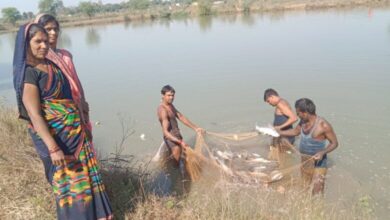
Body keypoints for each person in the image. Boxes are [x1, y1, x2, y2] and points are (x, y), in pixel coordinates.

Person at [13, 23, 112, 219]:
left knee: (88, 182)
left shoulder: (53, 66)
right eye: (37, 41)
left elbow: (70, 99)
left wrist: (83, 126)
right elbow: (35, 115)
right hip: (59, 141)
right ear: (26, 44)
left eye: (45, 41)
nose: (44, 45)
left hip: (76, 136)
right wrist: (52, 147)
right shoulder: (29, 74)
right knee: (72, 188)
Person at [35, 14, 92, 139]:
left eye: (55, 29)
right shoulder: (39, 59)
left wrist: (82, 101)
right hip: (59, 113)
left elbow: (76, 81)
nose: (53, 32)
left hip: (77, 105)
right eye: (48, 29)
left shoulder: (65, 55)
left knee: (86, 143)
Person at [277, 98, 338, 195]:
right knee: (305, 186)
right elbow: (295, 132)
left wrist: (322, 152)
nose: (297, 116)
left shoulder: (323, 125)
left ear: (305, 113)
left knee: (317, 192)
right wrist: (279, 132)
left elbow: (334, 143)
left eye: (298, 113)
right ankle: (306, 207)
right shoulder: (303, 122)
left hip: (319, 163)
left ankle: (317, 209)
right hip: (305, 161)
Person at [157, 85, 203, 167]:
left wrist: (196, 128)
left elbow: (180, 116)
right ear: (163, 96)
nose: (171, 98)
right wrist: (180, 142)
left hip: (177, 135)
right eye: (168, 95)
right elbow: (165, 132)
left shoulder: (170, 105)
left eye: (172, 95)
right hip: (171, 139)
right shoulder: (163, 110)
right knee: (176, 164)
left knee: (184, 159)